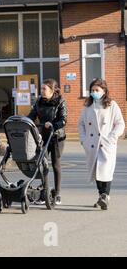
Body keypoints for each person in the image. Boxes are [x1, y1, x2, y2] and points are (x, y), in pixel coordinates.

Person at [78, 79, 125, 210]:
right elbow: (80, 124)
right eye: (92, 90)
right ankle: (102, 196)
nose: (94, 93)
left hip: (106, 144)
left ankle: (104, 196)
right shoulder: (87, 106)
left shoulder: (112, 105)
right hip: (92, 144)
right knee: (96, 171)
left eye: (97, 90)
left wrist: (113, 137)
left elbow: (120, 123)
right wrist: (83, 140)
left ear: (104, 91)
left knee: (106, 171)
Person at [27, 79, 67, 205]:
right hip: (43, 137)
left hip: (56, 137)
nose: (42, 91)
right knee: (43, 164)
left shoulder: (60, 101)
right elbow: (32, 115)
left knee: (55, 164)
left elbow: (64, 119)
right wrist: (25, 121)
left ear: (52, 90)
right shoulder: (39, 101)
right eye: (41, 89)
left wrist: (54, 125)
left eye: (44, 89)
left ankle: (57, 194)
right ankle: (45, 193)